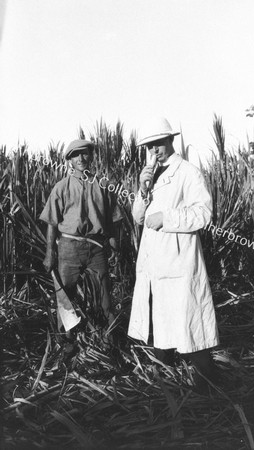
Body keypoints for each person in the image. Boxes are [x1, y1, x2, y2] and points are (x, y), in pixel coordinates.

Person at [128, 117, 219, 393]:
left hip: (179, 259)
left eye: (158, 144)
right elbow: (137, 217)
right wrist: (143, 190)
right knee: (159, 315)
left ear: (171, 141)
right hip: (155, 259)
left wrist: (166, 217)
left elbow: (203, 213)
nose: (153, 151)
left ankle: (210, 382)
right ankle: (161, 379)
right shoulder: (150, 175)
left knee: (188, 320)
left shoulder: (189, 172)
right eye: (148, 147)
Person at [40, 139, 120, 355]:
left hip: (96, 249)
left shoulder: (103, 186)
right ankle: (68, 342)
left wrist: (114, 245)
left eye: (85, 154)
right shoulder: (61, 187)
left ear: (91, 156)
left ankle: (108, 340)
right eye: (76, 155)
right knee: (66, 296)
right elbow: (52, 224)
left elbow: (112, 220)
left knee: (104, 296)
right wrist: (50, 254)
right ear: (69, 160)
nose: (81, 158)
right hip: (69, 247)